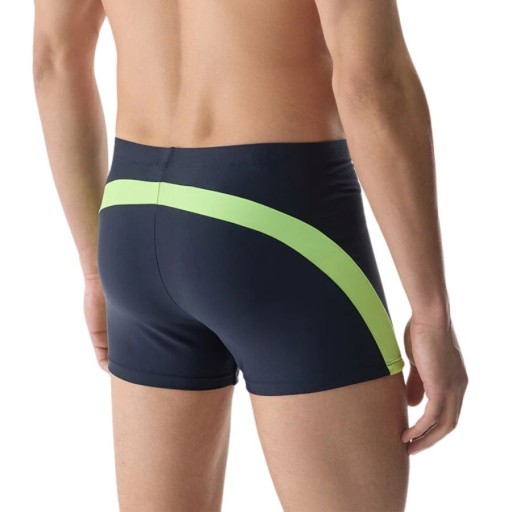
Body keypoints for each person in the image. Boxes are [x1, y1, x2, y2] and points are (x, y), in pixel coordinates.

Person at [32, 0, 468, 510]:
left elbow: (54, 61)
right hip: (280, 220)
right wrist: (431, 313)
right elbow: (373, 86)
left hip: (133, 218)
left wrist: (94, 269)